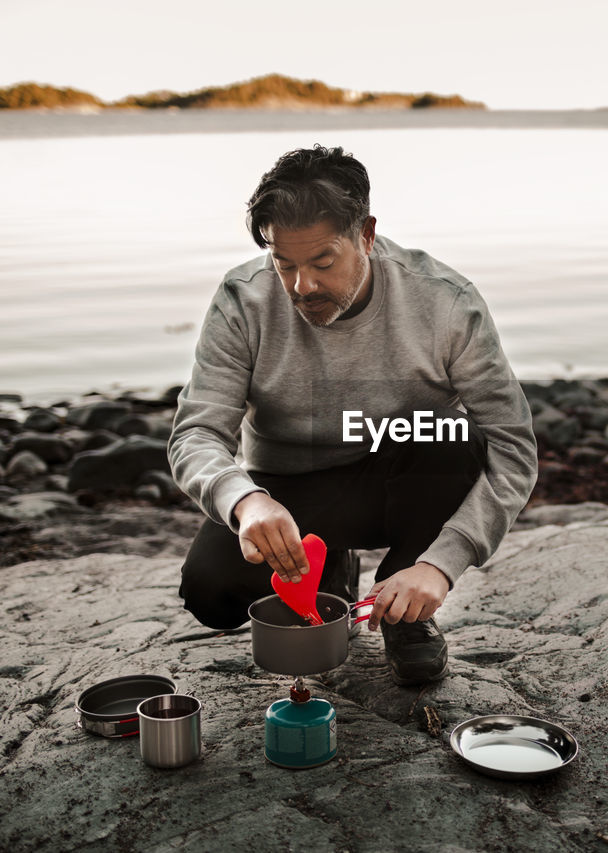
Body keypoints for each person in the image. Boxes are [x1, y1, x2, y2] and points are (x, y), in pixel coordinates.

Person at [169, 144, 538, 686]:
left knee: (453, 437)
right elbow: (196, 432)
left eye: (322, 261)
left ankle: (407, 609)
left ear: (365, 234)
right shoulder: (241, 300)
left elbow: (513, 446)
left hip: (406, 478)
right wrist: (244, 501)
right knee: (212, 592)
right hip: (286, 490)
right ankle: (330, 567)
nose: (302, 286)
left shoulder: (445, 302)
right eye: (284, 263)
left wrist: (442, 563)